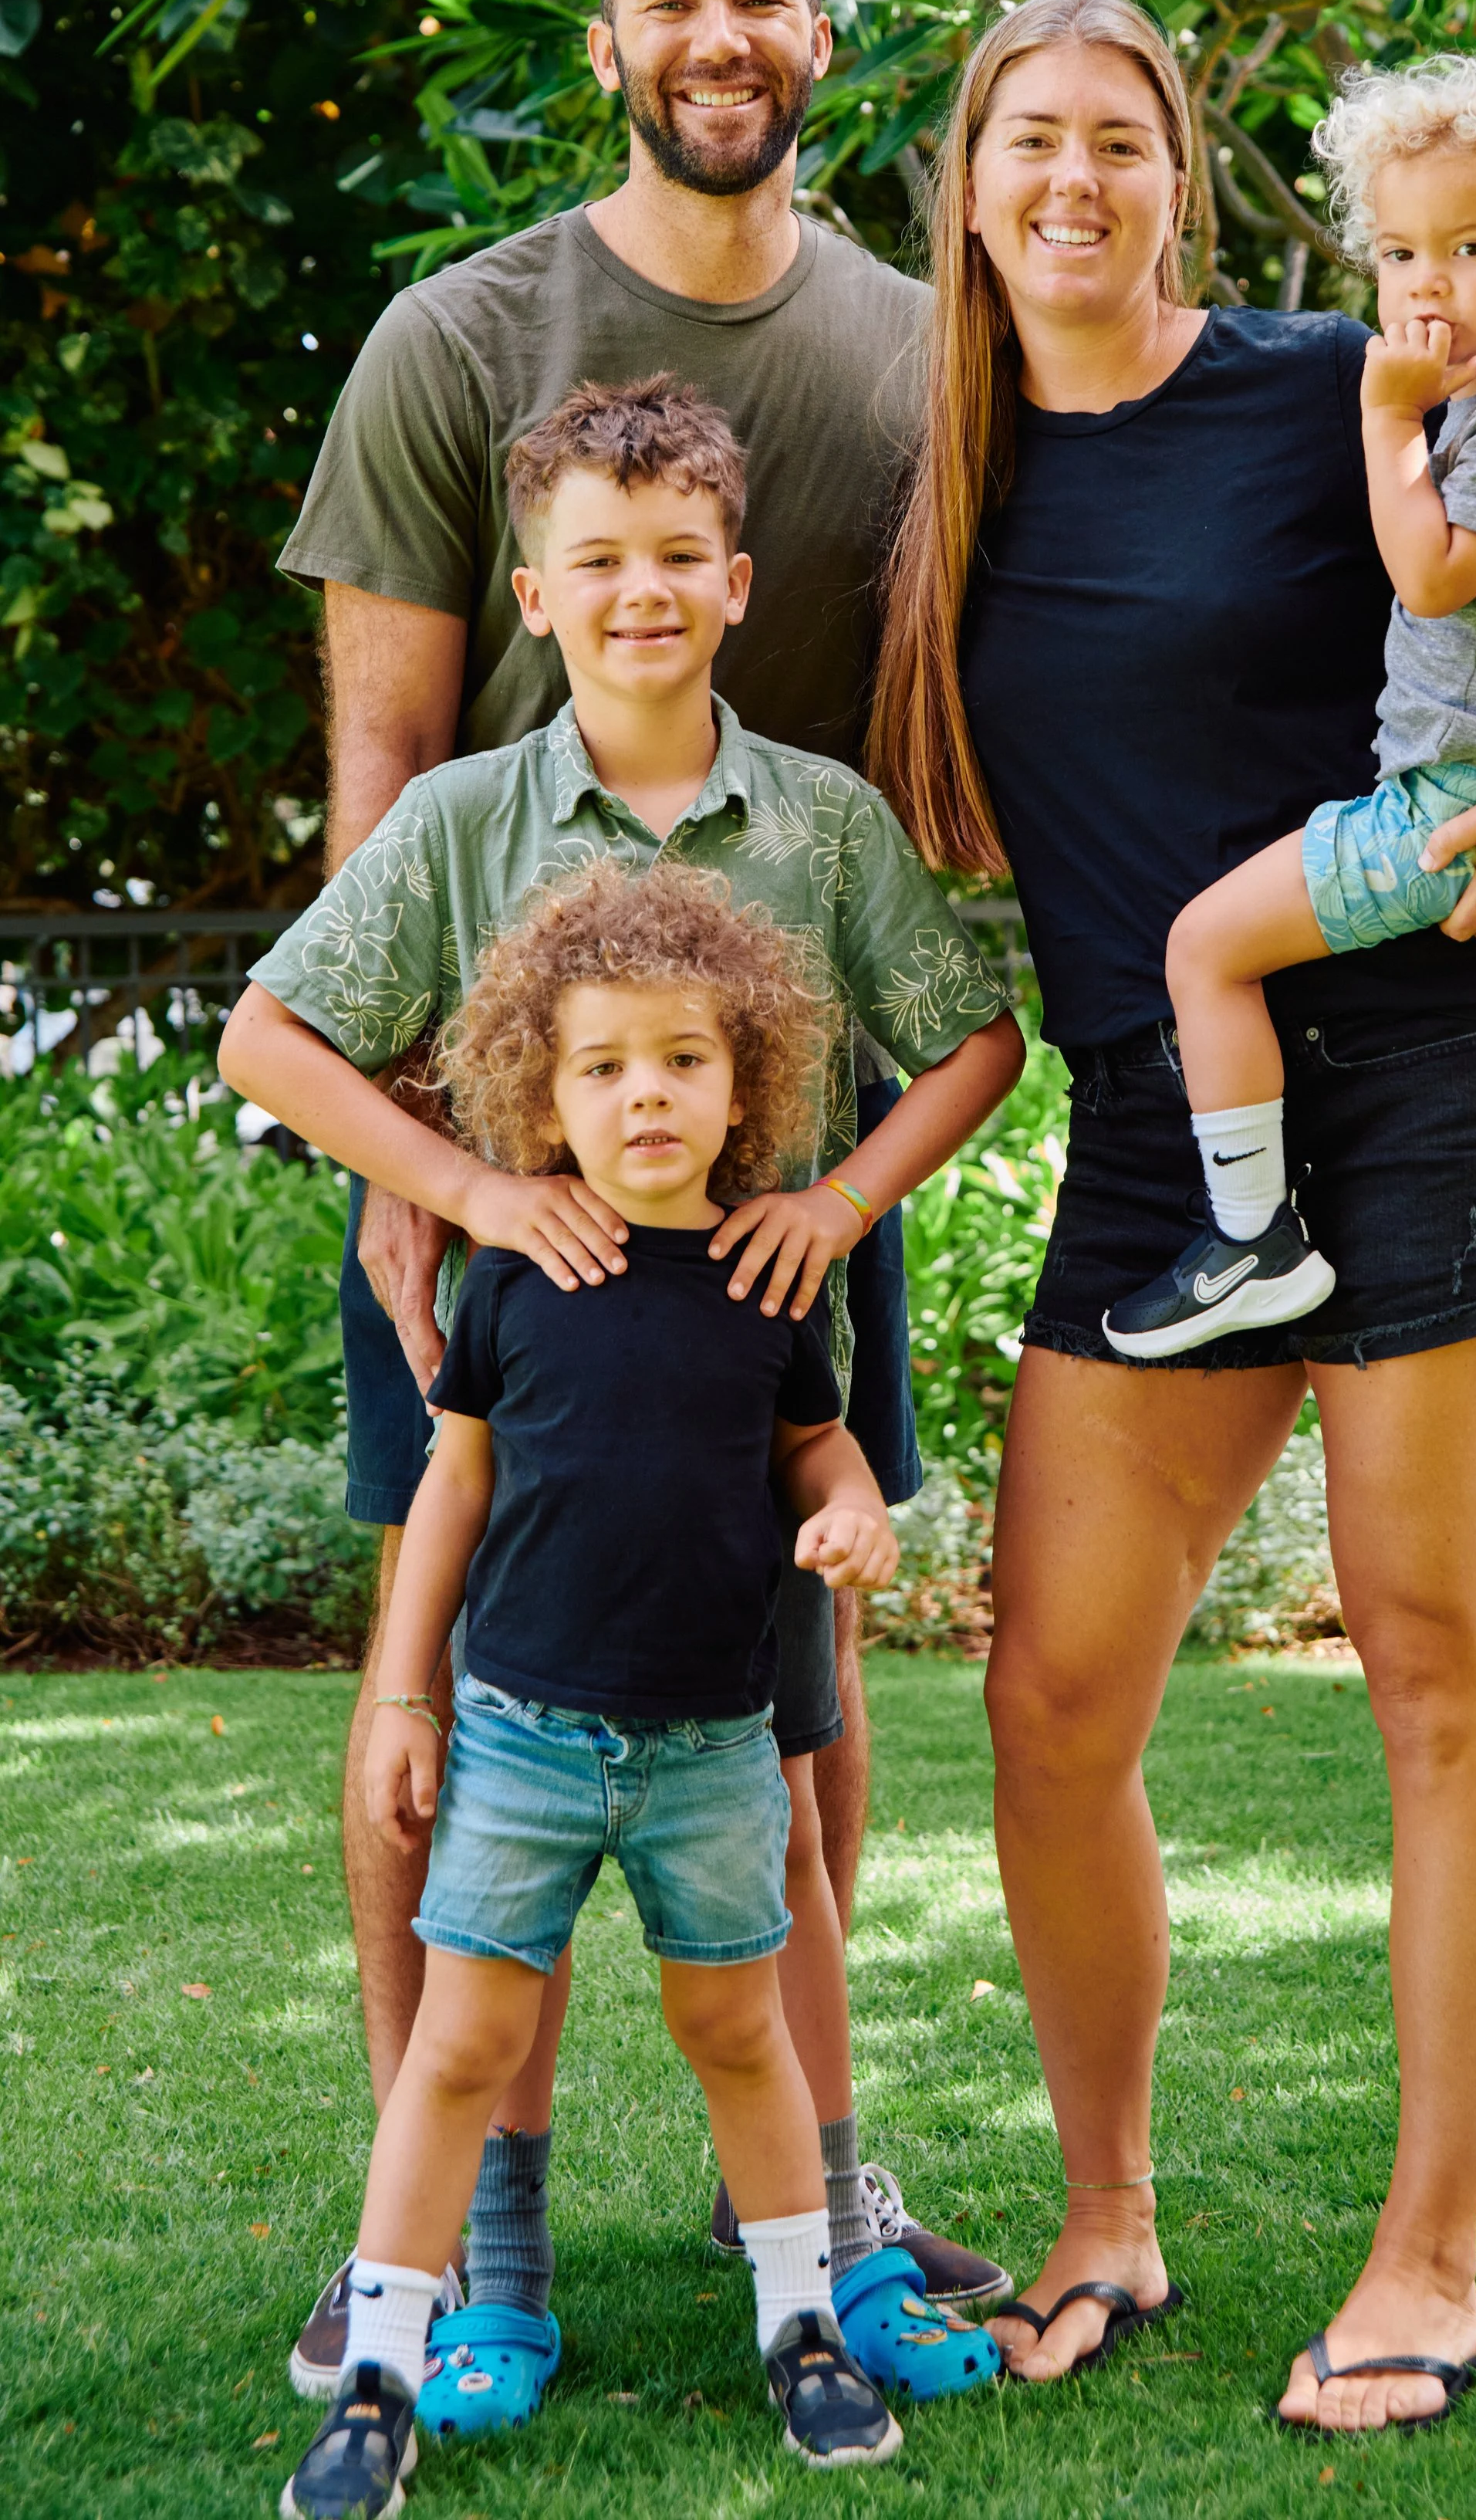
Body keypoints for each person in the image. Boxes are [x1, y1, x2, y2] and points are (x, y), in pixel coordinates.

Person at [869, 0, 1476, 2427]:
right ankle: (1104, 2212)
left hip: (1424, 1068)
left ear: (1176, 177)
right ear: (972, 183)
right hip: (1158, 1107)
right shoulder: (953, 460)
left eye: (1118, 137)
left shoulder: (1354, 373)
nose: (1074, 179)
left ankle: (1423, 2257)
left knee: (1434, 1665)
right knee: (1049, 1691)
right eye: (1030, 139)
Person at [272, 0, 1012, 2373]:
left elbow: (943, 763)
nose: (720, 34)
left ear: (825, 37)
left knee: (790, 1662)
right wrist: (419, 1170)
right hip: (490, 1157)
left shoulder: (928, 361)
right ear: (609, 44)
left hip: (780, 1163)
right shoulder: (457, 338)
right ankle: (468, 2221)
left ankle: (791, 2178)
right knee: (462, 1648)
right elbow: (382, 770)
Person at [275, 861, 952, 2518]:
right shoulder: (515, 1278)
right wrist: (400, 1700)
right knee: (460, 2046)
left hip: (714, 1745)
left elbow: (814, 1444)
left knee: (736, 2028)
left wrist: (852, 1506)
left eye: (680, 1060)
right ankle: (382, 2360)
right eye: (601, 1066)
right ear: (540, 1090)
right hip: (517, 1735)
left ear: (745, 1089)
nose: (644, 1092)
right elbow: (452, 1487)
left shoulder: (769, 1278)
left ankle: (800, 2324)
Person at [1105, 32, 1476, 1359]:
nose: (1430, 284)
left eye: (1470, 249)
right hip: (1470, 791)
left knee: (1202, 947)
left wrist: (1382, 417)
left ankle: (1250, 1234)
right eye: (1404, 253)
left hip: (1456, 810)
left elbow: (1428, 577)